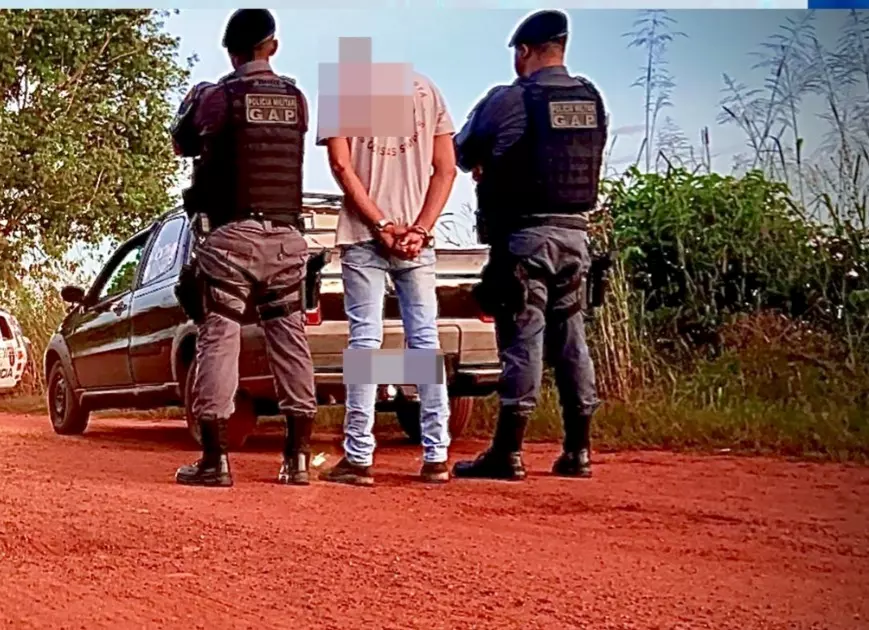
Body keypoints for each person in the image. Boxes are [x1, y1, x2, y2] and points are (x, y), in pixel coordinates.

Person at [451, 9, 608, 480]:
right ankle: (578, 451)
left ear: (524, 52)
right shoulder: (591, 98)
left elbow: (461, 151)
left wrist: (487, 162)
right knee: (572, 341)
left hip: (525, 241)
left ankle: (508, 453)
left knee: (522, 340)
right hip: (576, 237)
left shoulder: (509, 100)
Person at [169, 9, 316, 487]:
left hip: (233, 239)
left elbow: (182, 141)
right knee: (289, 339)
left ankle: (215, 460)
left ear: (231, 53)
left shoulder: (220, 97)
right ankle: (296, 460)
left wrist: (196, 101)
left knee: (219, 336)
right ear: (272, 46)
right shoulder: (296, 98)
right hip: (288, 240)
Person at [316, 68, 457, 485]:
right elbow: (446, 169)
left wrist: (380, 225)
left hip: (364, 235)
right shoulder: (428, 87)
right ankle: (436, 455)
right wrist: (421, 229)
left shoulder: (343, 85)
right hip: (417, 239)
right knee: (424, 343)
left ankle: (358, 456)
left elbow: (342, 166)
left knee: (365, 343)